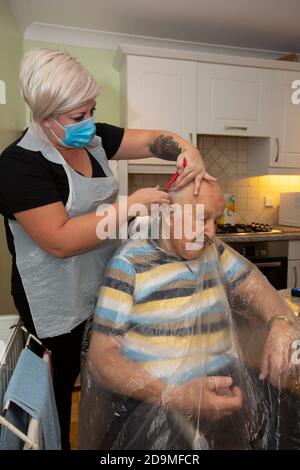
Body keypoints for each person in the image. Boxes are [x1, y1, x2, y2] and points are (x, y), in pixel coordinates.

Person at [0, 48, 211, 449]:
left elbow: (152, 140)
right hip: (53, 304)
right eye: (77, 117)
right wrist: (128, 207)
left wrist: (186, 149)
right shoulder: (17, 167)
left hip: (101, 287)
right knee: (57, 397)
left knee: (109, 380)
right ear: (45, 117)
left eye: (91, 111)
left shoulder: (93, 141)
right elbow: (59, 240)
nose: (90, 124)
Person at [82, 180, 300, 450]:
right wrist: (178, 395)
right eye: (200, 217)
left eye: (216, 220)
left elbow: (255, 287)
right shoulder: (128, 264)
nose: (210, 231)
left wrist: (280, 323)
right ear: (168, 214)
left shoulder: (213, 250)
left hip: (223, 384)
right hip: (156, 401)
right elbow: (102, 357)